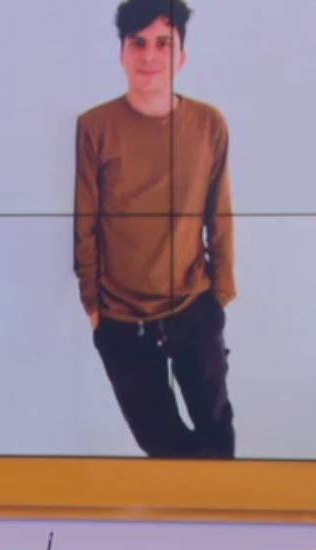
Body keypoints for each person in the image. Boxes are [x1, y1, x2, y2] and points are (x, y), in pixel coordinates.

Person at [74, 0, 236, 459]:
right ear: (122, 52)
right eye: (138, 42)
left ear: (181, 55)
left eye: (163, 43)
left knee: (216, 431)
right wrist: (93, 306)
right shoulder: (95, 126)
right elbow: (86, 220)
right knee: (162, 446)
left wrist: (220, 294)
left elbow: (219, 214)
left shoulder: (208, 124)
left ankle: (220, 506)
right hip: (121, 318)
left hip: (193, 305)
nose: (149, 55)